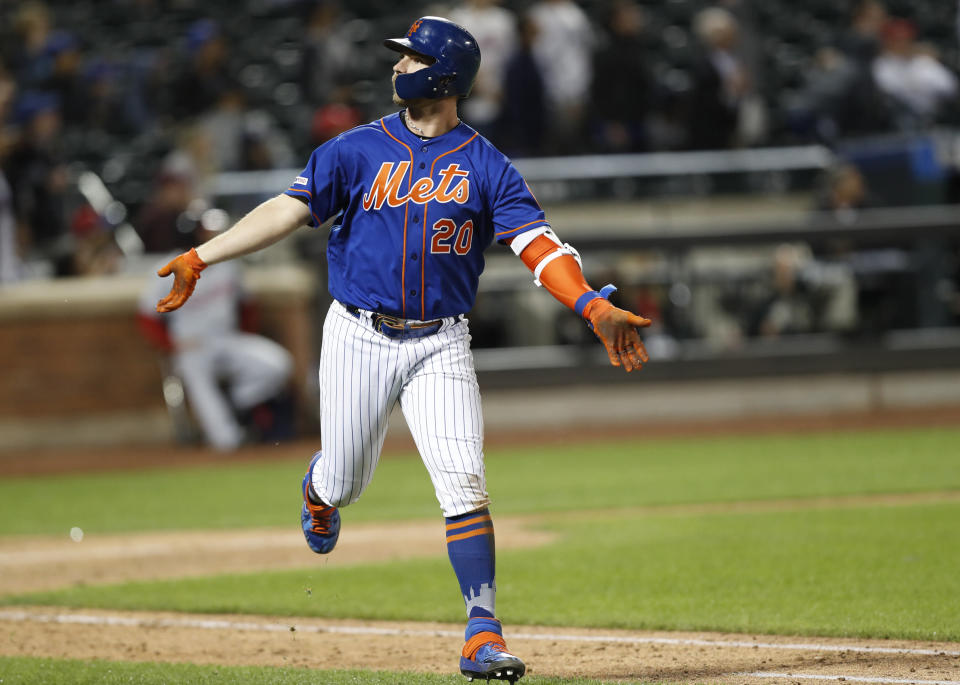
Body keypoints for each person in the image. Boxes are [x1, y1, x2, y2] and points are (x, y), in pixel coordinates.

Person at [153, 16, 649, 682]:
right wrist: (201, 256)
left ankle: (481, 632)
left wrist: (589, 303)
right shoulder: (355, 149)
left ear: (444, 73)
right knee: (348, 478)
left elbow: (540, 246)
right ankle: (319, 489)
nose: (397, 67)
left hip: (440, 340)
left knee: (464, 481)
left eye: (411, 57)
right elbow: (287, 208)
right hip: (358, 332)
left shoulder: (485, 164)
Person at [140, 211, 294, 451]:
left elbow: (247, 304)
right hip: (192, 346)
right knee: (222, 434)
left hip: (227, 339)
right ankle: (227, 440)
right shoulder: (169, 268)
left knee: (277, 365)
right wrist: (171, 345)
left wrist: (246, 332)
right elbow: (146, 317)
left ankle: (235, 403)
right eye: (205, 230)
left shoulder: (227, 264)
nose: (212, 234)